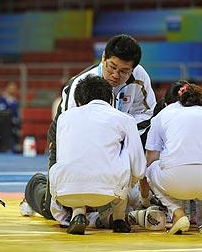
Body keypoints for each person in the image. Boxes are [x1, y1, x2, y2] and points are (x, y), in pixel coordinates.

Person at [22, 34, 156, 220]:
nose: (116, 75)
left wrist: (124, 127)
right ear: (103, 58)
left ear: (133, 69)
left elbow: (148, 113)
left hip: (118, 137)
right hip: (69, 135)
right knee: (57, 210)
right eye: (112, 67)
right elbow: (72, 132)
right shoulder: (80, 83)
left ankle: (142, 196)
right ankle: (35, 187)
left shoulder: (141, 78)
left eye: (124, 71)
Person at [49, 75, 146, 234]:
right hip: (109, 192)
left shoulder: (64, 118)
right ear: (110, 99)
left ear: (79, 101)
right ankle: (119, 219)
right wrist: (132, 183)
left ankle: (77, 213)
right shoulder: (124, 119)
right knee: (125, 159)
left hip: (65, 193)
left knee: (71, 162)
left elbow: (62, 158)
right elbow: (139, 168)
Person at [145, 83, 202, 235]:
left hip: (179, 180)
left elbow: (151, 157)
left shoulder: (164, 113)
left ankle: (177, 214)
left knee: (150, 169)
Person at [0, 81, 21, 153]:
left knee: (14, 146)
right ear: (7, 88)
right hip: (4, 127)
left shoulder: (15, 101)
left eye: (14, 88)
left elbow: (17, 115)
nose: (13, 90)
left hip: (13, 127)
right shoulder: (2, 99)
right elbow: (1, 112)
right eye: (11, 88)